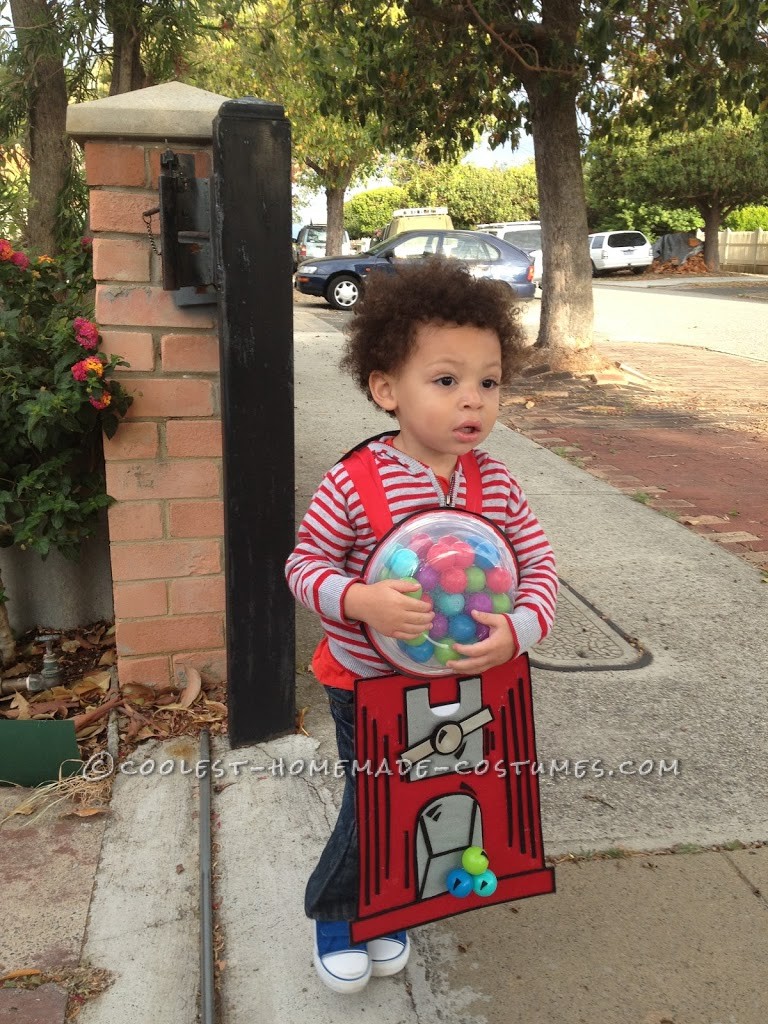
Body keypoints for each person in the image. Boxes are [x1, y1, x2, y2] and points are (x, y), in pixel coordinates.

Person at [285, 258, 558, 994]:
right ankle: (338, 909)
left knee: (426, 794)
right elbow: (303, 566)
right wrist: (362, 601)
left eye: (488, 382)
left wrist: (519, 631)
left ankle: (391, 899)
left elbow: (539, 571)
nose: (472, 400)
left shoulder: (495, 484)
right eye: (446, 381)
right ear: (386, 389)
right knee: (374, 798)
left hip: (466, 683)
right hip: (367, 682)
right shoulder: (356, 481)